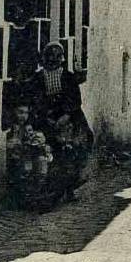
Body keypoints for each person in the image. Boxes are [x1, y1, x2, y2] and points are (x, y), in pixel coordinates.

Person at [25, 41, 94, 202]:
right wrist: (46, 118)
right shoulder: (37, 78)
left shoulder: (68, 77)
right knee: (50, 152)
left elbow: (75, 100)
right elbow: (35, 101)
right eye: (49, 56)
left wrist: (66, 116)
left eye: (57, 56)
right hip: (46, 119)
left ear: (62, 58)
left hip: (69, 118)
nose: (53, 59)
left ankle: (70, 188)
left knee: (78, 146)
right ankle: (49, 193)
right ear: (43, 58)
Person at [5, 101, 53, 209]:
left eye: (26, 113)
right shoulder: (11, 128)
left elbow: (36, 142)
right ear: (14, 112)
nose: (23, 116)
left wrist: (38, 141)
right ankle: (26, 198)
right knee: (27, 167)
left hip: (28, 155)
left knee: (41, 161)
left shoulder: (29, 127)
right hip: (15, 159)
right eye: (20, 112)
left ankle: (38, 194)